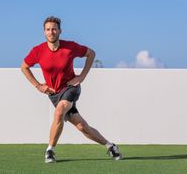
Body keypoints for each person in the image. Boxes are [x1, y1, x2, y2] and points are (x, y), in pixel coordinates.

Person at [20, 16, 122, 163]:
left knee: (59, 111)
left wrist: (82, 77)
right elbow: (24, 67)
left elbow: (91, 53)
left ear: (60, 31)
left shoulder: (70, 47)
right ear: (44, 32)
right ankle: (110, 146)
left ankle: (50, 151)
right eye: (48, 29)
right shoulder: (38, 51)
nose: (51, 32)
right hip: (54, 93)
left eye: (54, 29)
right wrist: (38, 85)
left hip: (71, 88)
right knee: (82, 127)